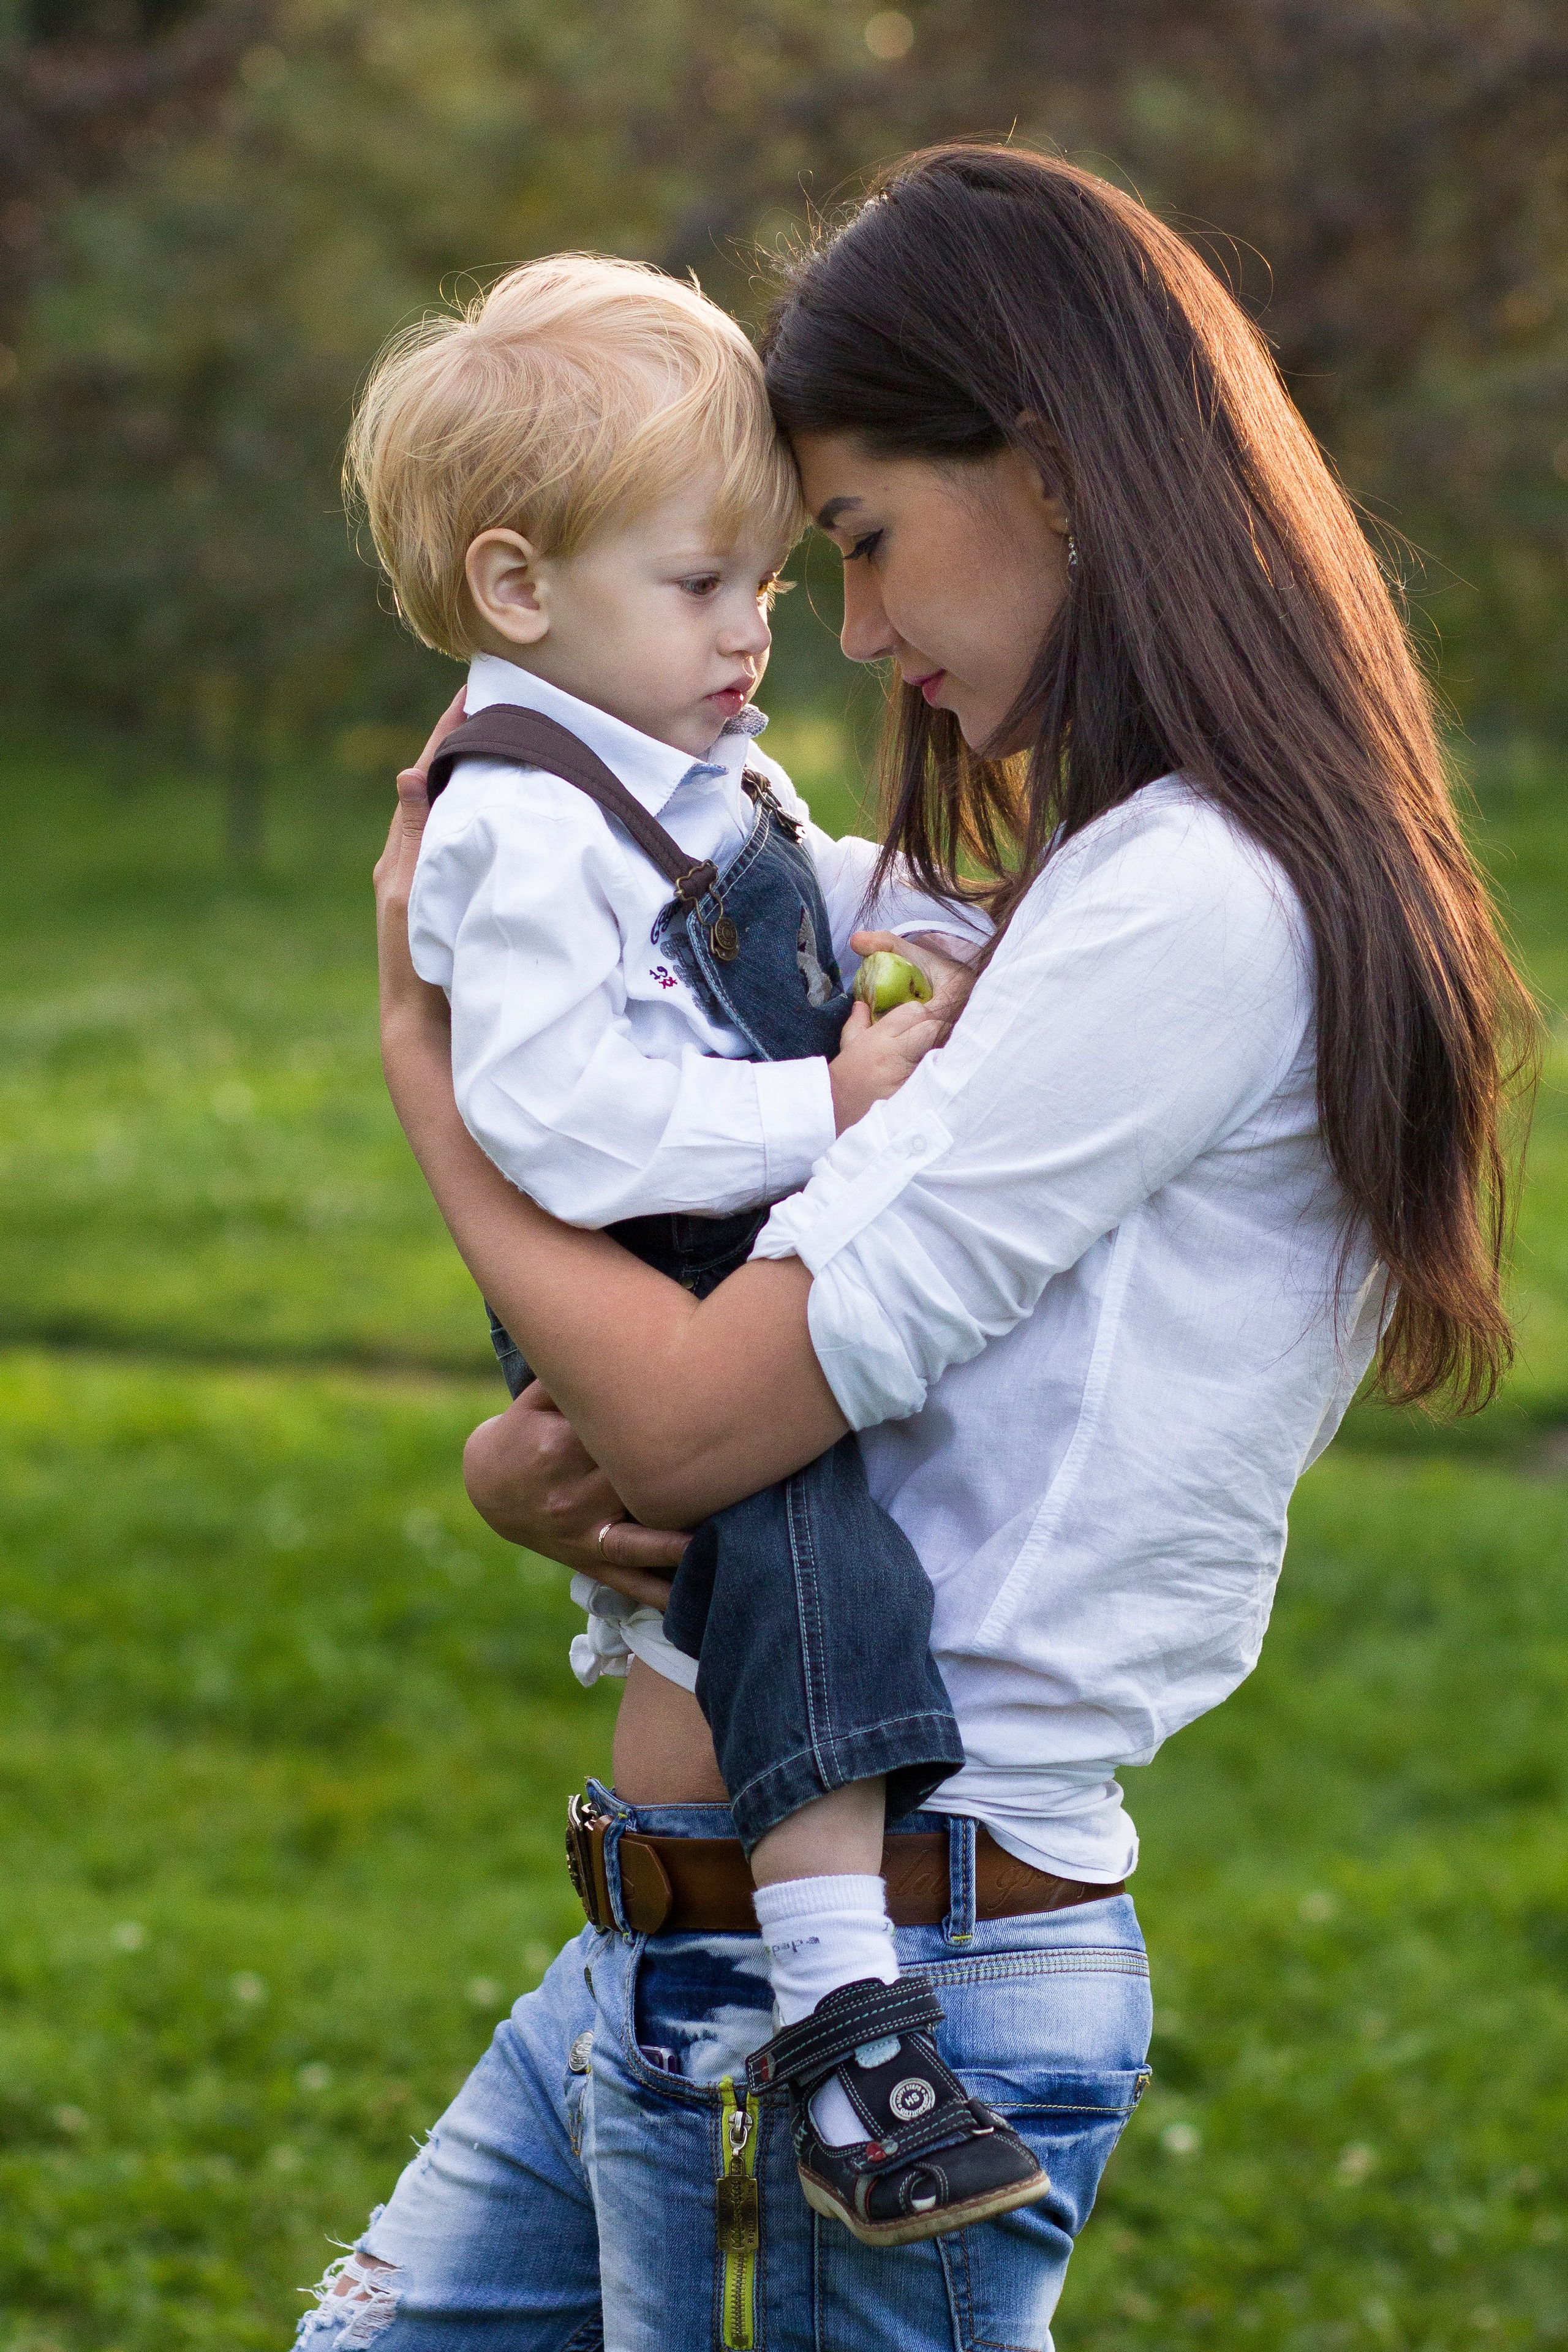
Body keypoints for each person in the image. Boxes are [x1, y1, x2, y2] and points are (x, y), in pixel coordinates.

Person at [298, 147, 1529, 2351]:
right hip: (678, 1959)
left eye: (859, 541)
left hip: (899, 1982)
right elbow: (726, 1424)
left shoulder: (1192, 904)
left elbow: (688, 1423)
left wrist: (425, 1068)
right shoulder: (1097, 879)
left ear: (1050, 468)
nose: (843, 633)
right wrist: (527, 1469)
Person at [343, 251, 1045, 2242]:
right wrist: (822, 1111)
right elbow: (553, 1116)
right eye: (704, 582)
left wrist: (937, 913)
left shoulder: (682, 760)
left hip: (716, 1255)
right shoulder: (512, 821)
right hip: (639, 1268)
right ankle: (846, 2029)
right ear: (516, 590)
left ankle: (821, 2000)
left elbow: (782, 884)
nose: (760, 632)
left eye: (765, 580)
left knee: (795, 1595)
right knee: (813, 1584)